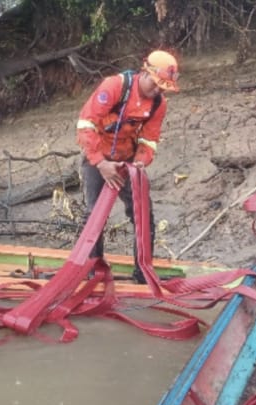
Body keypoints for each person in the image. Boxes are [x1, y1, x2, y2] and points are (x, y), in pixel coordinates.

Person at [75, 50, 180, 282]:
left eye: (163, 87)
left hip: (128, 162)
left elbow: (149, 139)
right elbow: (86, 123)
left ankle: (143, 272)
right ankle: (92, 270)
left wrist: (140, 163)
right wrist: (100, 163)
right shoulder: (114, 87)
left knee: (143, 214)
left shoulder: (158, 105)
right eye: (156, 84)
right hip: (98, 158)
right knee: (95, 215)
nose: (158, 90)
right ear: (145, 72)